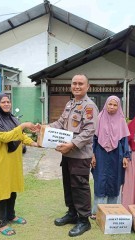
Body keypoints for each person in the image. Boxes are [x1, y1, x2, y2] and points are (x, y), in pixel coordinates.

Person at [48, 74, 98, 237]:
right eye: (74, 83)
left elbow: (89, 131)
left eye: (80, 84)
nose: (77, 86)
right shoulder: (70, 104)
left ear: (87, 87)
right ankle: (72, 213)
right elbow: (60, 123)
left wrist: (72, 144)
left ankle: (84, 220)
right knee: (69, 185)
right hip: (68, 154)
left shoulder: (89, 106)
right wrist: (44, 128)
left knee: (80, 187)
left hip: (80, 155)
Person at [0, 92, 39, 236]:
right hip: (2, 162)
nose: (6, 104)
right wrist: (22, 125)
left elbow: (21, 136)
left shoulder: (12, 119)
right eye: (3, 102)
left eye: (8, 102)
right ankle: (1, 223)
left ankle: (11, 215)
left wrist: (34, 142)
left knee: (12, 190)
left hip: (14, 161)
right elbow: (6, 137)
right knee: (1, 192)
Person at [90, 95, 130, 219]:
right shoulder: (99, 118)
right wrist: (92, 155)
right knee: (100, 181)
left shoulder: (121, 120)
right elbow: (93, 139)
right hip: (100, 153)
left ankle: (112, 210)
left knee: (115, 180)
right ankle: (97, 211)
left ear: (118, 107)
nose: (112, 107)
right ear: (106, 105)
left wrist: (126, 156)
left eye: (115, 105)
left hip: (116, 155)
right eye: (110, 104)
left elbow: (124, 141)